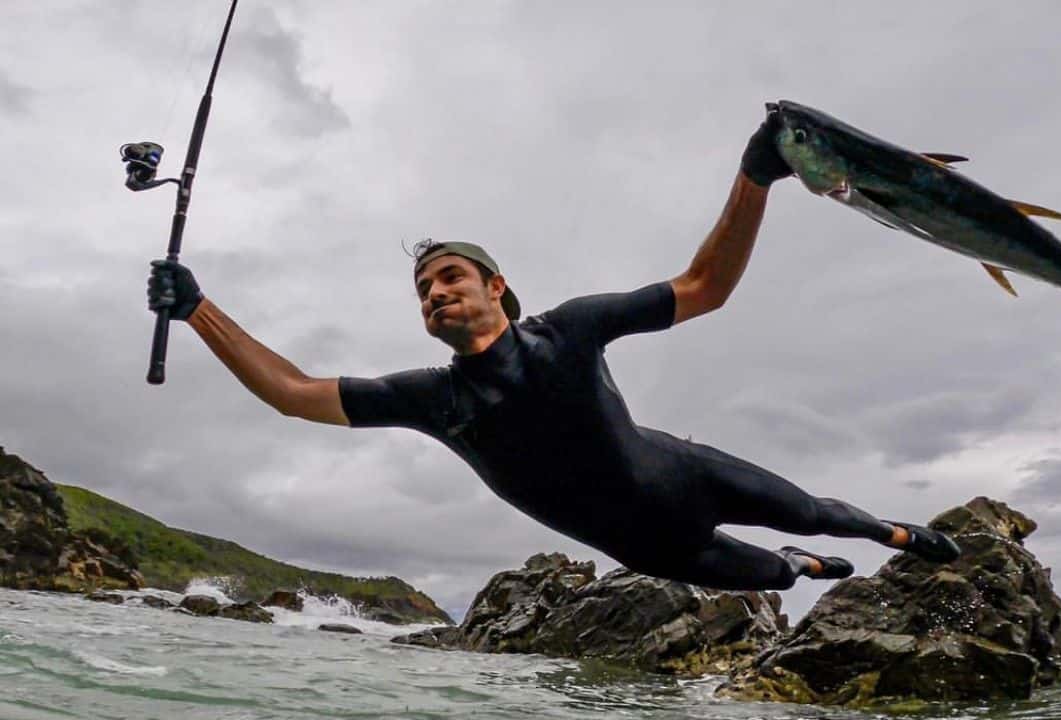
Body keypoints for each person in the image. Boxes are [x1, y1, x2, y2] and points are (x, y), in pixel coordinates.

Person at [147, 109, 960, 591]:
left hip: (690, 474)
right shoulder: (433, 399)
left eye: (450, 275)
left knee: (822, 514)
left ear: (498, 286)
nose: (434, 293)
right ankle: (806, 569)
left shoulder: (570, 329)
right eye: (422, 289)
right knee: (781, 574)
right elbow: (292, 391)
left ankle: (894, 534)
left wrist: (758, 173)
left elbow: (706, 286)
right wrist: (197, 309)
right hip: (647, 548)